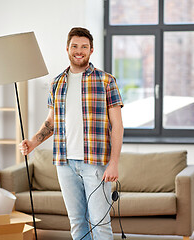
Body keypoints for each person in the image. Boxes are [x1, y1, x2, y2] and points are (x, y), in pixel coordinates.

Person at [19, 27, 124, 240]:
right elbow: (51, 122)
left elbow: (117, 125)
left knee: (100, 223)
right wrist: (32, 143)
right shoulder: (57, 83)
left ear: (91, 50)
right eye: (74, 46)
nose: (79, 51)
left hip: (95, 163)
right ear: (67, 49)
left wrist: (114, 163)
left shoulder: (106, 81)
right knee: (77, 222)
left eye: (84, 47)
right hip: (65, 164)